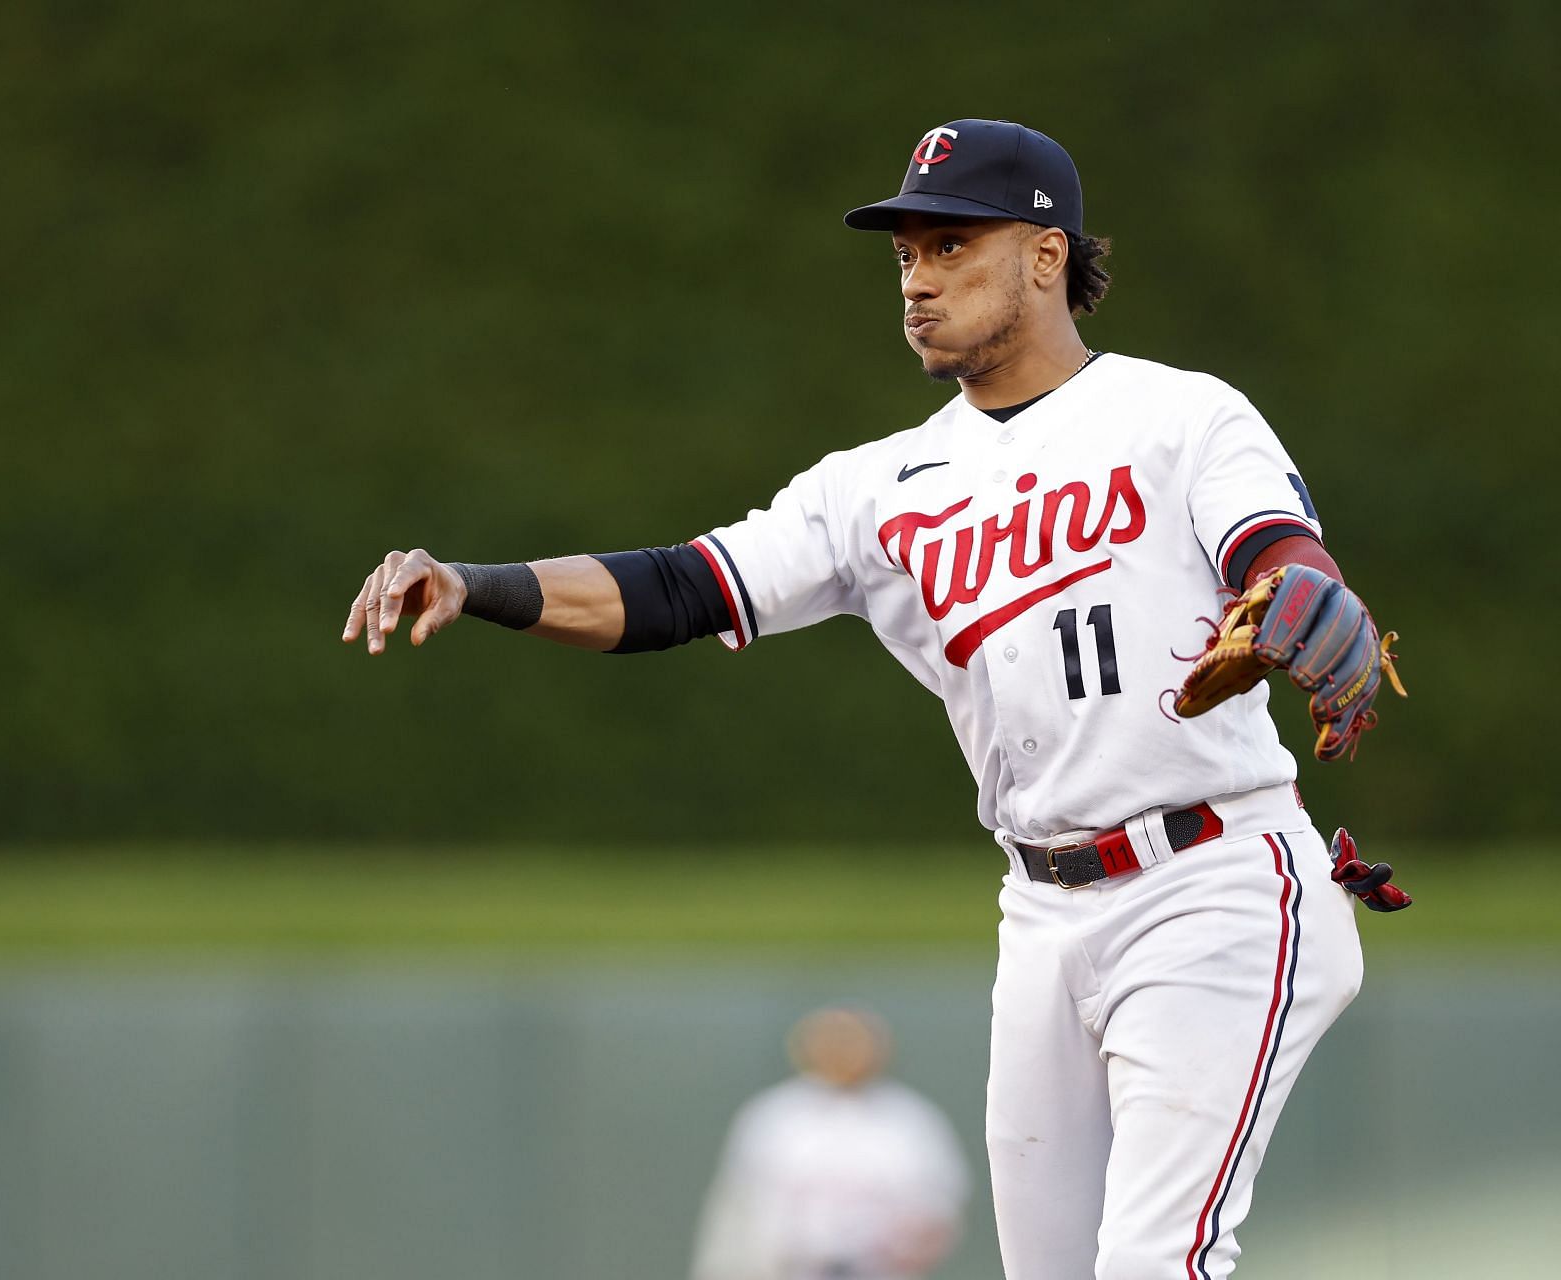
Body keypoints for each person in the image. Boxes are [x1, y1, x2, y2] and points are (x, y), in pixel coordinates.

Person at [340, 118, 1409, 1278]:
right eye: (906, 254)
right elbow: (677, 587)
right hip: (1045, 908)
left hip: (1212, 881)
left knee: (1156, 1262)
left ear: (1047, 256)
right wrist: (479, 583)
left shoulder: (1182, 415)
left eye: (953, 245)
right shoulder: (873, 488)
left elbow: (1279, 550)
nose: (918, 279)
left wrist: (1299, 586)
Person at [690, 1006, 969, 1280]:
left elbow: (940, 1205)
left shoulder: (910, 1121)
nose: (844, 1051)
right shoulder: (773, 1117)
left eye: (854, 1041)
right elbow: (738, 1210)